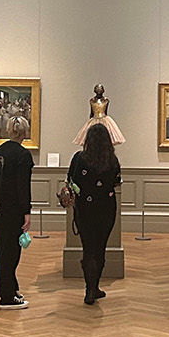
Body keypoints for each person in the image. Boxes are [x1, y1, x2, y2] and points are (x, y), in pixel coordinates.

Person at [67, 123, 121, 305]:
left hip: (85, 209)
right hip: (106, 208)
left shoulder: (79, 159)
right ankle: (95, 287)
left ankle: (89, 289)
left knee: (88, 248)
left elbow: (71, 181)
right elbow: (116, 182)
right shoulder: (112, 161)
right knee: (100, 249)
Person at [0, 115, 34, 309]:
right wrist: (27, 211)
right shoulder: (23, 155)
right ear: (24, 132)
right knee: (11, 253)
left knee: (3, 250)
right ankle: (7, 297)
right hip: (12, 209)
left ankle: (9, 288)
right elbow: (22, 186)